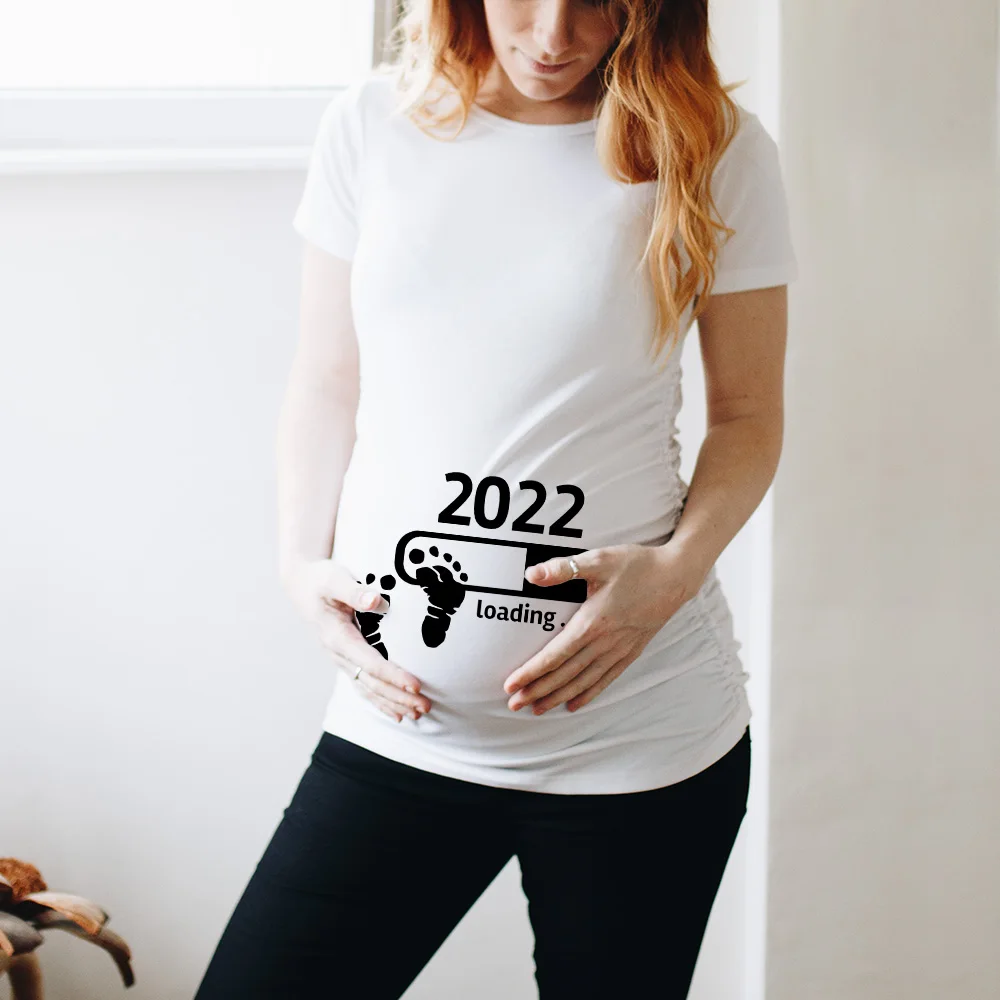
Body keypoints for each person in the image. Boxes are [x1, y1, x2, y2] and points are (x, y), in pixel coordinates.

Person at [192, 0, 797, 997]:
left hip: (637, 738)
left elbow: (746, 415)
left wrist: (672, 575)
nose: (554, 35)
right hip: (404, 722)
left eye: (598, 1)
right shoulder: (371, 124)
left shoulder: (713, 146)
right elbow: (327, 380)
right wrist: (299, 565)